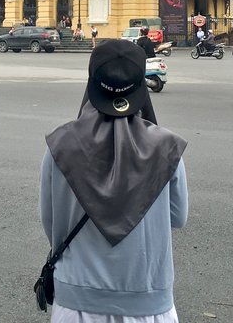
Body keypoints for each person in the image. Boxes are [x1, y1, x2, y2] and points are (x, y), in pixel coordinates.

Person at [39, 40, 188, 321]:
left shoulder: (59, 145)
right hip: (148, 298)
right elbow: (177, 217)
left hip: (76, 299)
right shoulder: (166, 147)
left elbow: (51, 222)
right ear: (140, 86)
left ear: (92, 83)